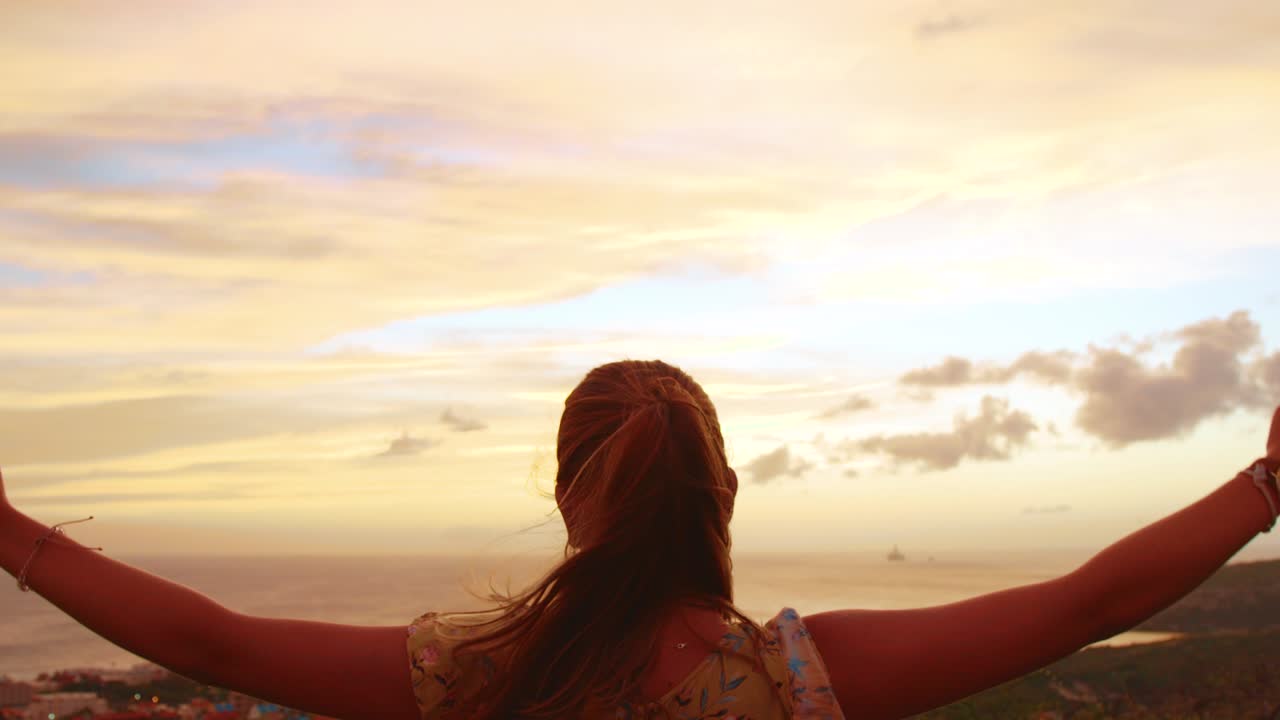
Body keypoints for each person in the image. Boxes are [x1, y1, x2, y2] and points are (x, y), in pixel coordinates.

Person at [2, 359, 1278, 720]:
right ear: (724, 494)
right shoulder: (798, 682)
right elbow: (1085, 602)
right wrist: (1264, 484)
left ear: (567, 499)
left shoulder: (475, 671)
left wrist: (10, 535)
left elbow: (203, 635)